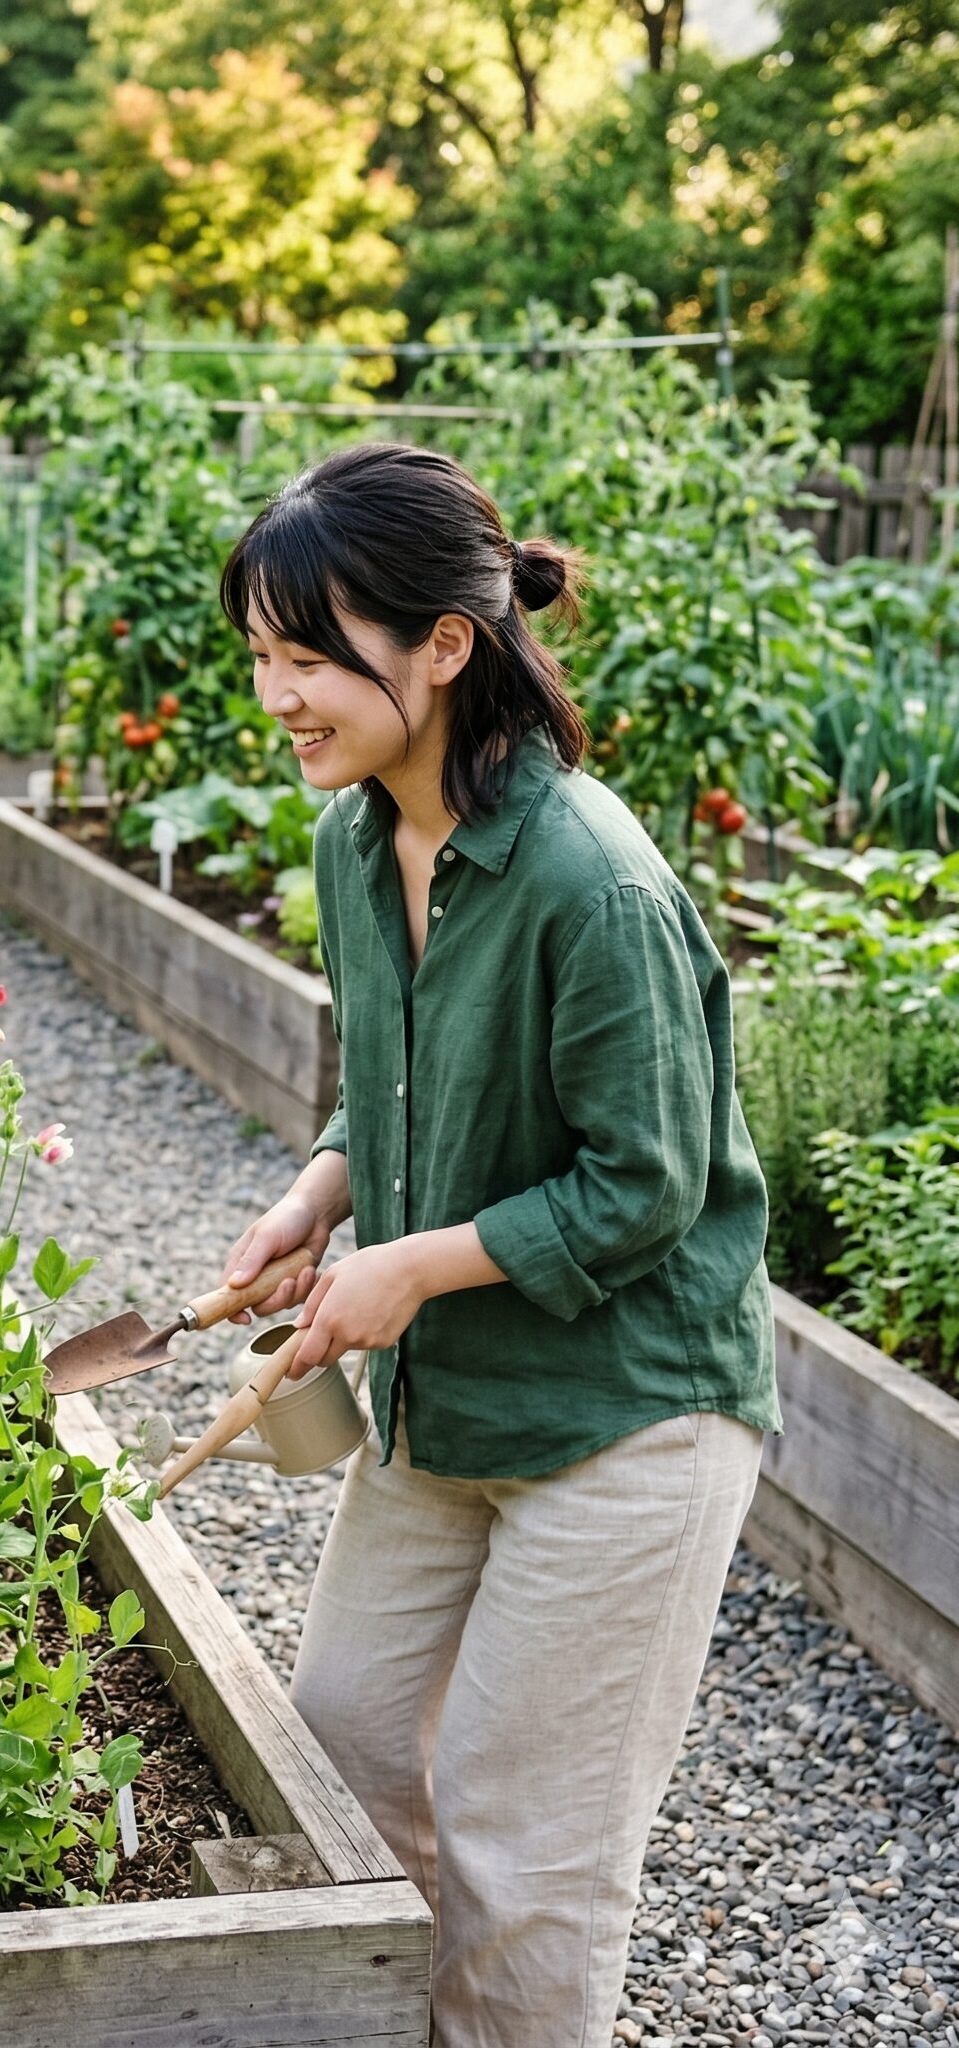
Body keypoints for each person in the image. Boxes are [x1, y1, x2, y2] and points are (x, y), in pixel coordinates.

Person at [214, 442, 779, 2048]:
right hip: (445, 1391)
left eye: (313, 657)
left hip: (626, 1413)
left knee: (531, 1863)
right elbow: (389, 1084)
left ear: (446, 647)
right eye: (264, 654)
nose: (280, 697)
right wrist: (322, 1198)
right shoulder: (351, 840)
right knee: (341, 1753)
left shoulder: (595, 882)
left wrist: (408, 1266)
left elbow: (648, 1186)